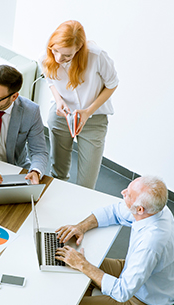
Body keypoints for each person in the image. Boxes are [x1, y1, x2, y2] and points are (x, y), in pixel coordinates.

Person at [55, 176, 174, 305]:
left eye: (128, 194)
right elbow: (114, 211)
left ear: (139, 209)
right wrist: (81, 227)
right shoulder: (155, 209)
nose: (122, 193)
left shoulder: (151, 243)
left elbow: (122, 292)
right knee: (76, 268)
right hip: (140, 277)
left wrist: (83, 265)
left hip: (144, 303)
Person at [41, 20, 119, 189]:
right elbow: (49, 79)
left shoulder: (96, 56)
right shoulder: (49, 53)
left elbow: (112, 84)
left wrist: (87, 112)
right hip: (62, 115)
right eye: (56, 52)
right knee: (58, 173)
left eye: (67, 55)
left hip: (93, 119)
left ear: (79, 48)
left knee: (86, 184)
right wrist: (59, 100)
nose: (59, 59)